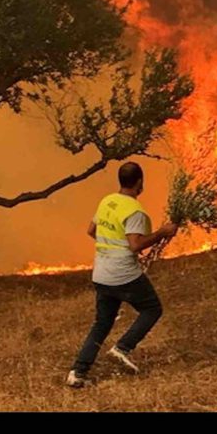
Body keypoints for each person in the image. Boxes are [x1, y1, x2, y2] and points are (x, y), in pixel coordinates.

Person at [66, 162, 177, 388]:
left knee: (102, 323)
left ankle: (77, 372)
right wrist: (163, 232)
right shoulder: (134, 211)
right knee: (152, 308)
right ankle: (122, 348)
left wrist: (111, 247)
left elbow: (91, 231)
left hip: (101, 273)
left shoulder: (107, 201)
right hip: (123, 274)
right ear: (140, 182)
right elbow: (135, 244)